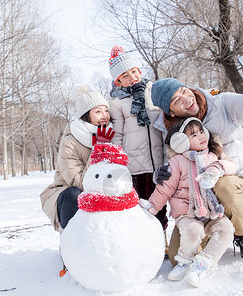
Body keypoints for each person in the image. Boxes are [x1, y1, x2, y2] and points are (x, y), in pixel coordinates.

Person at [150, 65, 243, 263]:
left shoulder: (222, 103)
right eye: (177, 100)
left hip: (232, 182)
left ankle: (241, 233)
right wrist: (159, 174)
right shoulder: (170, 131)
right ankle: (211, 233)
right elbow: (169, 165)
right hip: (195, 199)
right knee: (177, 257)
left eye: (184, 90)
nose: (186, 98)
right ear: (170, 111)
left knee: (222, 186)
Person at [141, 117, 235, 287]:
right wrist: (153, 206)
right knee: (193, 231)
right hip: (187, 212)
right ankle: (185, 261)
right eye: (193, 135)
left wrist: (217, 167)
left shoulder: (213, 155)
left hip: (212, 211)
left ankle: (204, 263)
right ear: (181, 142)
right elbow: (165, 188)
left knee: (226, 229)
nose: (201, 136)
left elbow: (231, 164)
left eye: (201, 131)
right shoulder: (176, 161)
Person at [107, 46, 169, 237]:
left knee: (158, 205)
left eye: (134, 71)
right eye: (125, 75)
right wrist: (119, 163)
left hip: (157, 162)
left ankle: (161, 238)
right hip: (134, 165)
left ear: (139, 71)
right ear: (118, 81)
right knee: (140, 205)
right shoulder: (117, 103)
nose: (132, 77)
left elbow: (165, 124)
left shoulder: (155, 92)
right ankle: (144, 241)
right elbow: (117, 134)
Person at [39, 85, 114, 233]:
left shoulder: (111, 133)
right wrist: (98, 149)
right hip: (69, 193)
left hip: (103, 190)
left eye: (106, 110)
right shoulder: (70, 142)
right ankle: (70, 242)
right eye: (98, 112)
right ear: (86, 115)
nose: (104, 116)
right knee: (74, 194)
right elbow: (80, 183)